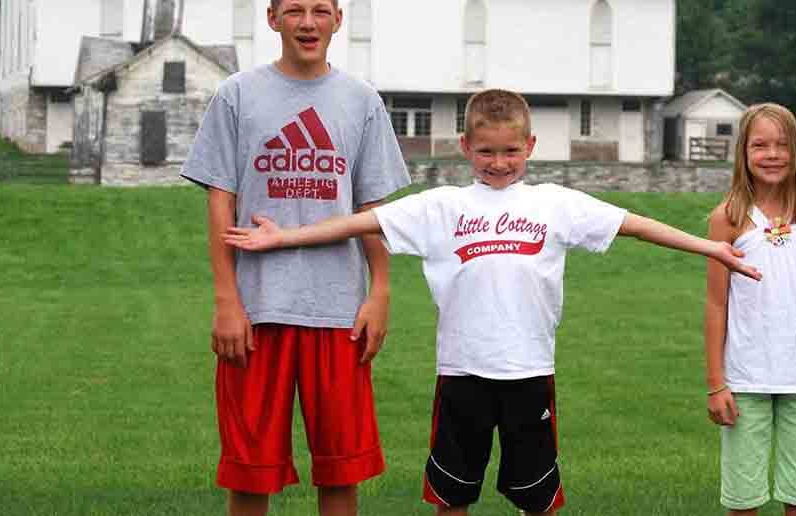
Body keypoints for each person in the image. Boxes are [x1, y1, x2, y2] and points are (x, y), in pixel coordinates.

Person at [224, 88, 761, 516]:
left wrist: (710, 246)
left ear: (529, 147)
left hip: (528, 373)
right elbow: (360, 223)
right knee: (452, 493)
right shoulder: (443, 207)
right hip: (462, 373)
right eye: (486, 151)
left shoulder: (554, 204)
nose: (498, 163)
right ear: (465, 148)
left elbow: (635, 225)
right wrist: (283, 237)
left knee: (537, 493)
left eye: (509, 151)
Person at [181, 0, 410, 516]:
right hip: (258, 312)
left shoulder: (362, 101)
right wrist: (226, 300)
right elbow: (219, 200)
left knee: (340, 470)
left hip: (338, 311)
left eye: (319, 11)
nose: (308, 23)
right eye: (295, 11)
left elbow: (371, 206)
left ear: (337, 19)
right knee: (250, 473)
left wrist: (379, 291)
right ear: (272, 18)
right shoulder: (237, 96)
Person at [705, 103, 796, 516]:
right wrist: (716, 382)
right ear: (743, 153)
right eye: (760, 145)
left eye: (783, 145)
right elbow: (716, 303)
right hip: (746, 378)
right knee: (743, 501)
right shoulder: (727, 219)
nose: (772, 154)